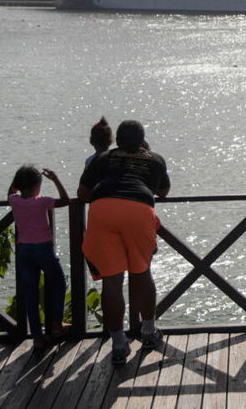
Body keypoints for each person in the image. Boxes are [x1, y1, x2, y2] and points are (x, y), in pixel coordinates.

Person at [78, 120, 170, 365]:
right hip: (138, 210)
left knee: (112, 281)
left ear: (116, 139)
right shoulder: (155, 159)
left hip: (103, 209)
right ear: (142, 139)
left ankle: (119, 344)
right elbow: (163, 191)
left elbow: (82, 194)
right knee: (141, 272)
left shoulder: (102, 159)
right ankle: (149, 332)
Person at [7, 165, 70, 351]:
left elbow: (11, 191)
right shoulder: (42, 201)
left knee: (31, 294)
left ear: (18, 184)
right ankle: (56, 325)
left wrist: (17, 180)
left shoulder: (14, 200)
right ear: (37, 185)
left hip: (24, 251)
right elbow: (65, 201)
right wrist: (56, 179)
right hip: (43, 249)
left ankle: (37, 337)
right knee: (58, 284)